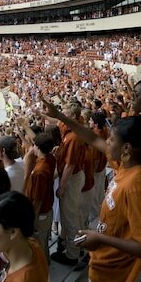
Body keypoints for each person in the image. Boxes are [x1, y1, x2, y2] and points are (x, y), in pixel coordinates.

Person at [42, 102, 141, 282]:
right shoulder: (127, 165)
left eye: (111, 140)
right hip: (105, 264)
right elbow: (91, 138)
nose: (105, 141)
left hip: (113, 271)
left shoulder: (135, 184)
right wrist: (60, 116)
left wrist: (99, 239)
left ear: (127, 148)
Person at [51, 102, 89, 267]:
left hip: (71, 179)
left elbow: (70, 165)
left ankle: (73, 255)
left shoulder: (73, 136)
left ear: (72, 116)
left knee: (70, 219)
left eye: (64, 113)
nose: (61, 115)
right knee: (75, 215)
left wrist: (62, 186)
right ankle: (79, 247)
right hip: (74, 177)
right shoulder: (71, 129)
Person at [23, 132, 56, 249]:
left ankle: (43, 265)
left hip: (41, 213)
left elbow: (38, 200)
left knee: (40, 245)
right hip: (47, 209)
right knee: (44, 242)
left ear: (38, 147)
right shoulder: (50, 158)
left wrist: (32, 219)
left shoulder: (39, 172)